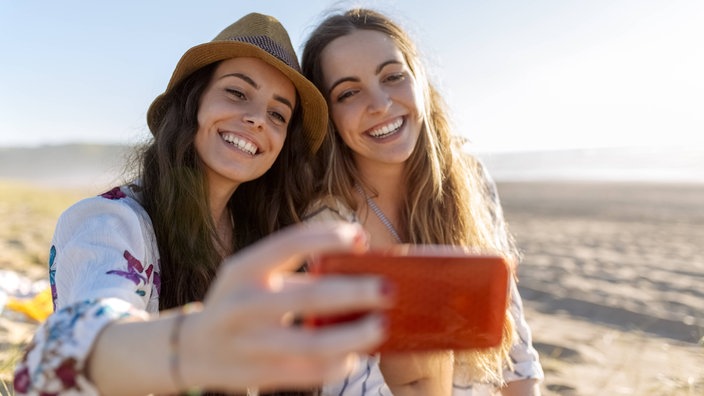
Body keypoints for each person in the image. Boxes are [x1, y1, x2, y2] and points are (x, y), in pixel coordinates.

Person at [13, 13, 393, 396]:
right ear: (193, 102)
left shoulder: (278, 244)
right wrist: (193, 343)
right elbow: (75, 349)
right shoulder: (111, 223)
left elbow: (354, 380)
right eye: (237, 92)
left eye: (278, 114)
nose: (257, 118)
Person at [301, 8, 544, 396]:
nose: (380, 103)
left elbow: (517, 356)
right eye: (349, 92)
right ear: (328, 116)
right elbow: (348, 386)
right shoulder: (324, 224)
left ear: (419, 81)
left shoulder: (468, 181)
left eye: (393, 76)